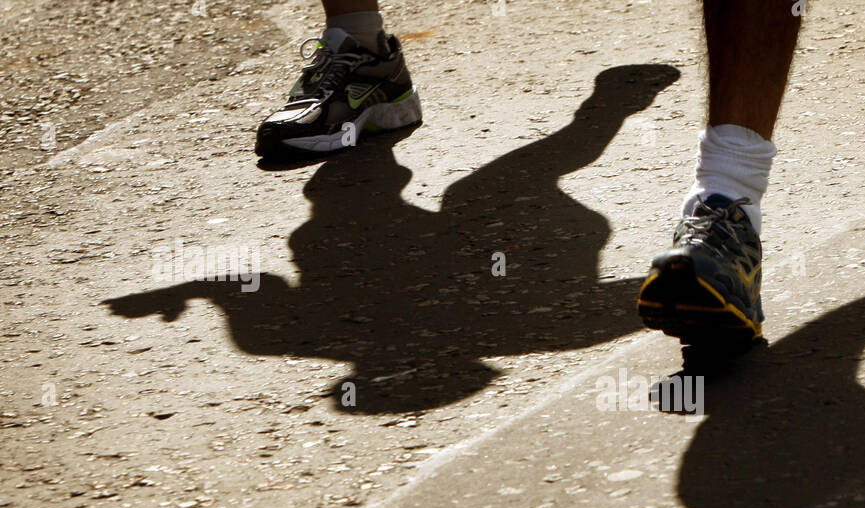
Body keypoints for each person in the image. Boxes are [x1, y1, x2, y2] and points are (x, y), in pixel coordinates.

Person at [255, 1, 801, 349]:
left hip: (526, 257)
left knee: (489, 195)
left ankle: (730, 203)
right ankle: (363, 50)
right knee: (466, 198)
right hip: (505, 258)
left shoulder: (283, 338)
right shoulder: (286, 339)